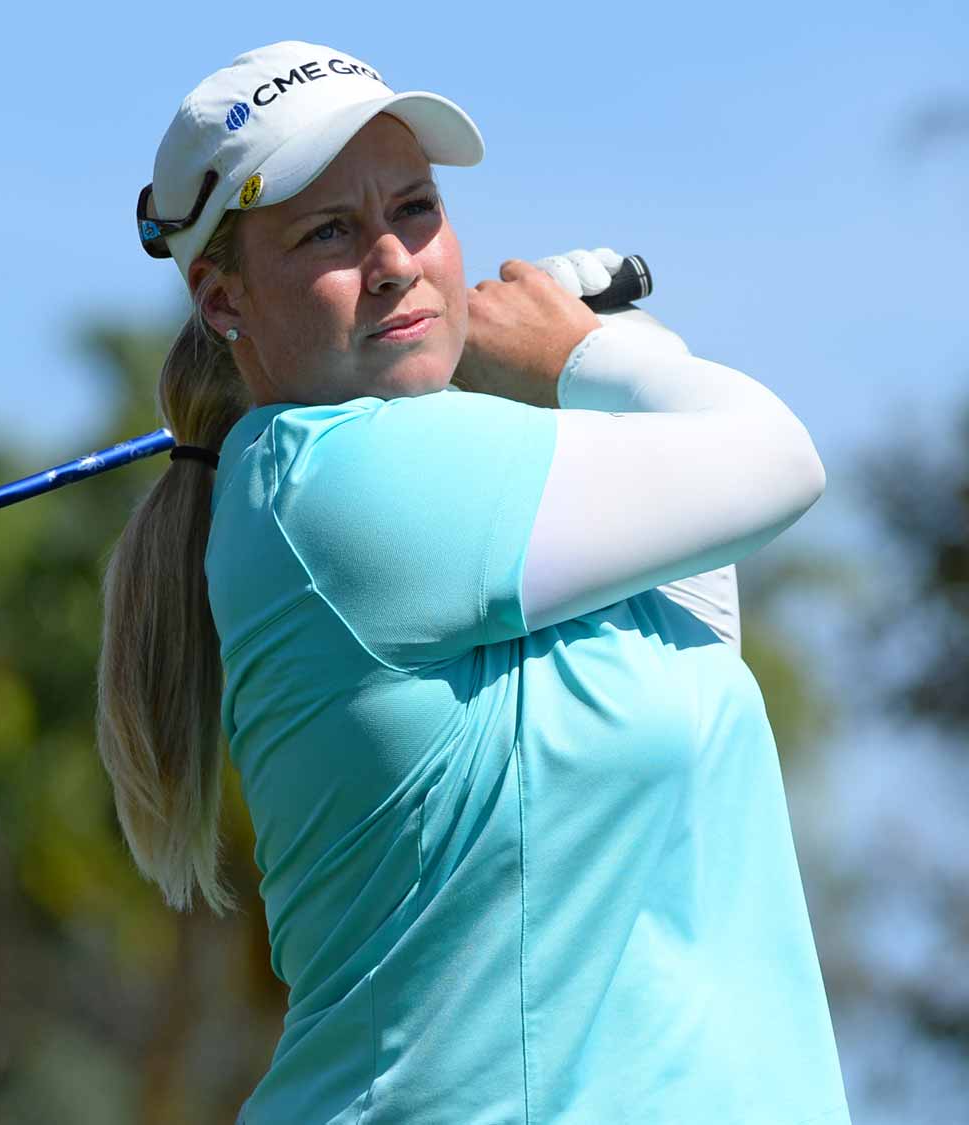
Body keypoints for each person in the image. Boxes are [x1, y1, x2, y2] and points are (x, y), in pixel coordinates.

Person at [95, 40, 850, 1124]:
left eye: (413, 209)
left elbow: (696, 622)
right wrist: (588, 359)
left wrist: (615, 349)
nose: (394, 259)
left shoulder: (451, 494)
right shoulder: (331, 477)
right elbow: (778, 464)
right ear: (222, 299)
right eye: (327, 232)